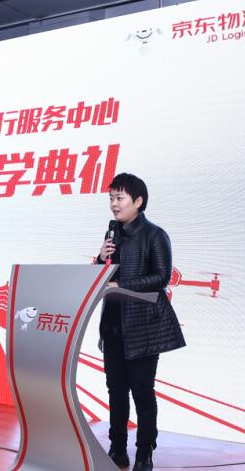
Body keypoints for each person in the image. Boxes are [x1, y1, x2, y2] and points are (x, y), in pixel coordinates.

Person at [96, 173, 185, 471]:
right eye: (111, 198)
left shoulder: (155, 235)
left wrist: (122, 285)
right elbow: (100, 279)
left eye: (119, 198)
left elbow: (161, 277)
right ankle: (117, 450)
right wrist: (100, 259)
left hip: (143, 327)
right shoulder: (112, 236)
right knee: (115, 390)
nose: (114, 204)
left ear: (138, 201)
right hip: (113, 325)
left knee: (142, 391)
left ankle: (144, 454)